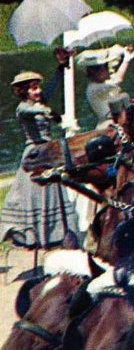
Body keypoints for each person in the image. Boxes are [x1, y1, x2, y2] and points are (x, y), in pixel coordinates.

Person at [1, 68, 79, 249]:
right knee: (37, 193)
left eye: (38, 88)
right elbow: (33, 111)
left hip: (48, 151)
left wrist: (61, 68)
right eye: (33, 89)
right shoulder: (23, 108)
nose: (38, 92)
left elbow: (51, 87)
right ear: (24, 91)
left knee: (53, 190)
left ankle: (56, 234)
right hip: (35, 153)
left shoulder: (39, 102)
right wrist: (58, 117)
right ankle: (34, 235)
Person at [82, 46, 134, 126]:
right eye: (105, 68)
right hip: (108, 123)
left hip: (117, 119)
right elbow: (117, 80)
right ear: (96, 73)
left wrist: (123, 50)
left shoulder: (102, 84)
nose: (108, 71)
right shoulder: (93, 88)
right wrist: (126, 60)